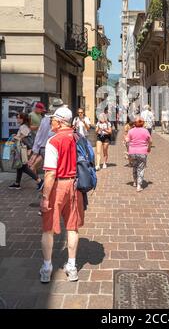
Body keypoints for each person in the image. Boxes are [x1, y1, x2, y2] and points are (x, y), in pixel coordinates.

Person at [39, 107, 84, 283]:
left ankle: (46, 267)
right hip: (75, 184)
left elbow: (50, 173)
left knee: (48, 228)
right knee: (72, 227)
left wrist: (44, 197)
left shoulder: (53, 141)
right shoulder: (78, 137)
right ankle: (72, 267)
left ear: (59, 121)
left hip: (58, 186)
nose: (51, 122)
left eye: (53, 119)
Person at [28, 99, 65, 186]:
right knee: (51, 171)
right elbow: (49, 135)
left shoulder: (44, 119)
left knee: (46, 170)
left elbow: (38, 135)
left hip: (42, 148)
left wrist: (35, 150)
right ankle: (46, 186)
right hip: (49, 148)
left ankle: (42, 184)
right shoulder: (55, 120)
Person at [9, 113, 44, 191]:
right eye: (17, 118)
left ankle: (40, 181)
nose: (17, 119)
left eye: (19, 118)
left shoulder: (23, 126)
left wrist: (14, 137)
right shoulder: (25, 126)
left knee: (24, 167)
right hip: (24, 150)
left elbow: (22, 138)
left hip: (23, 150)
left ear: (23, 119)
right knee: (20, 166)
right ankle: (17, 183)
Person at [126, 117, 152, 192]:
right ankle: (139, 185)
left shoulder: (131, 131)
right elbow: (150, 141)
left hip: (132, 151)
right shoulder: (145, 131)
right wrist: (149, 148)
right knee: (141, 168)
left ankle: (134, 182)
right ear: (143, 123)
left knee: (134, 166)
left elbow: (127, 141)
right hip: (142, 151)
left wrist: (128, 150)